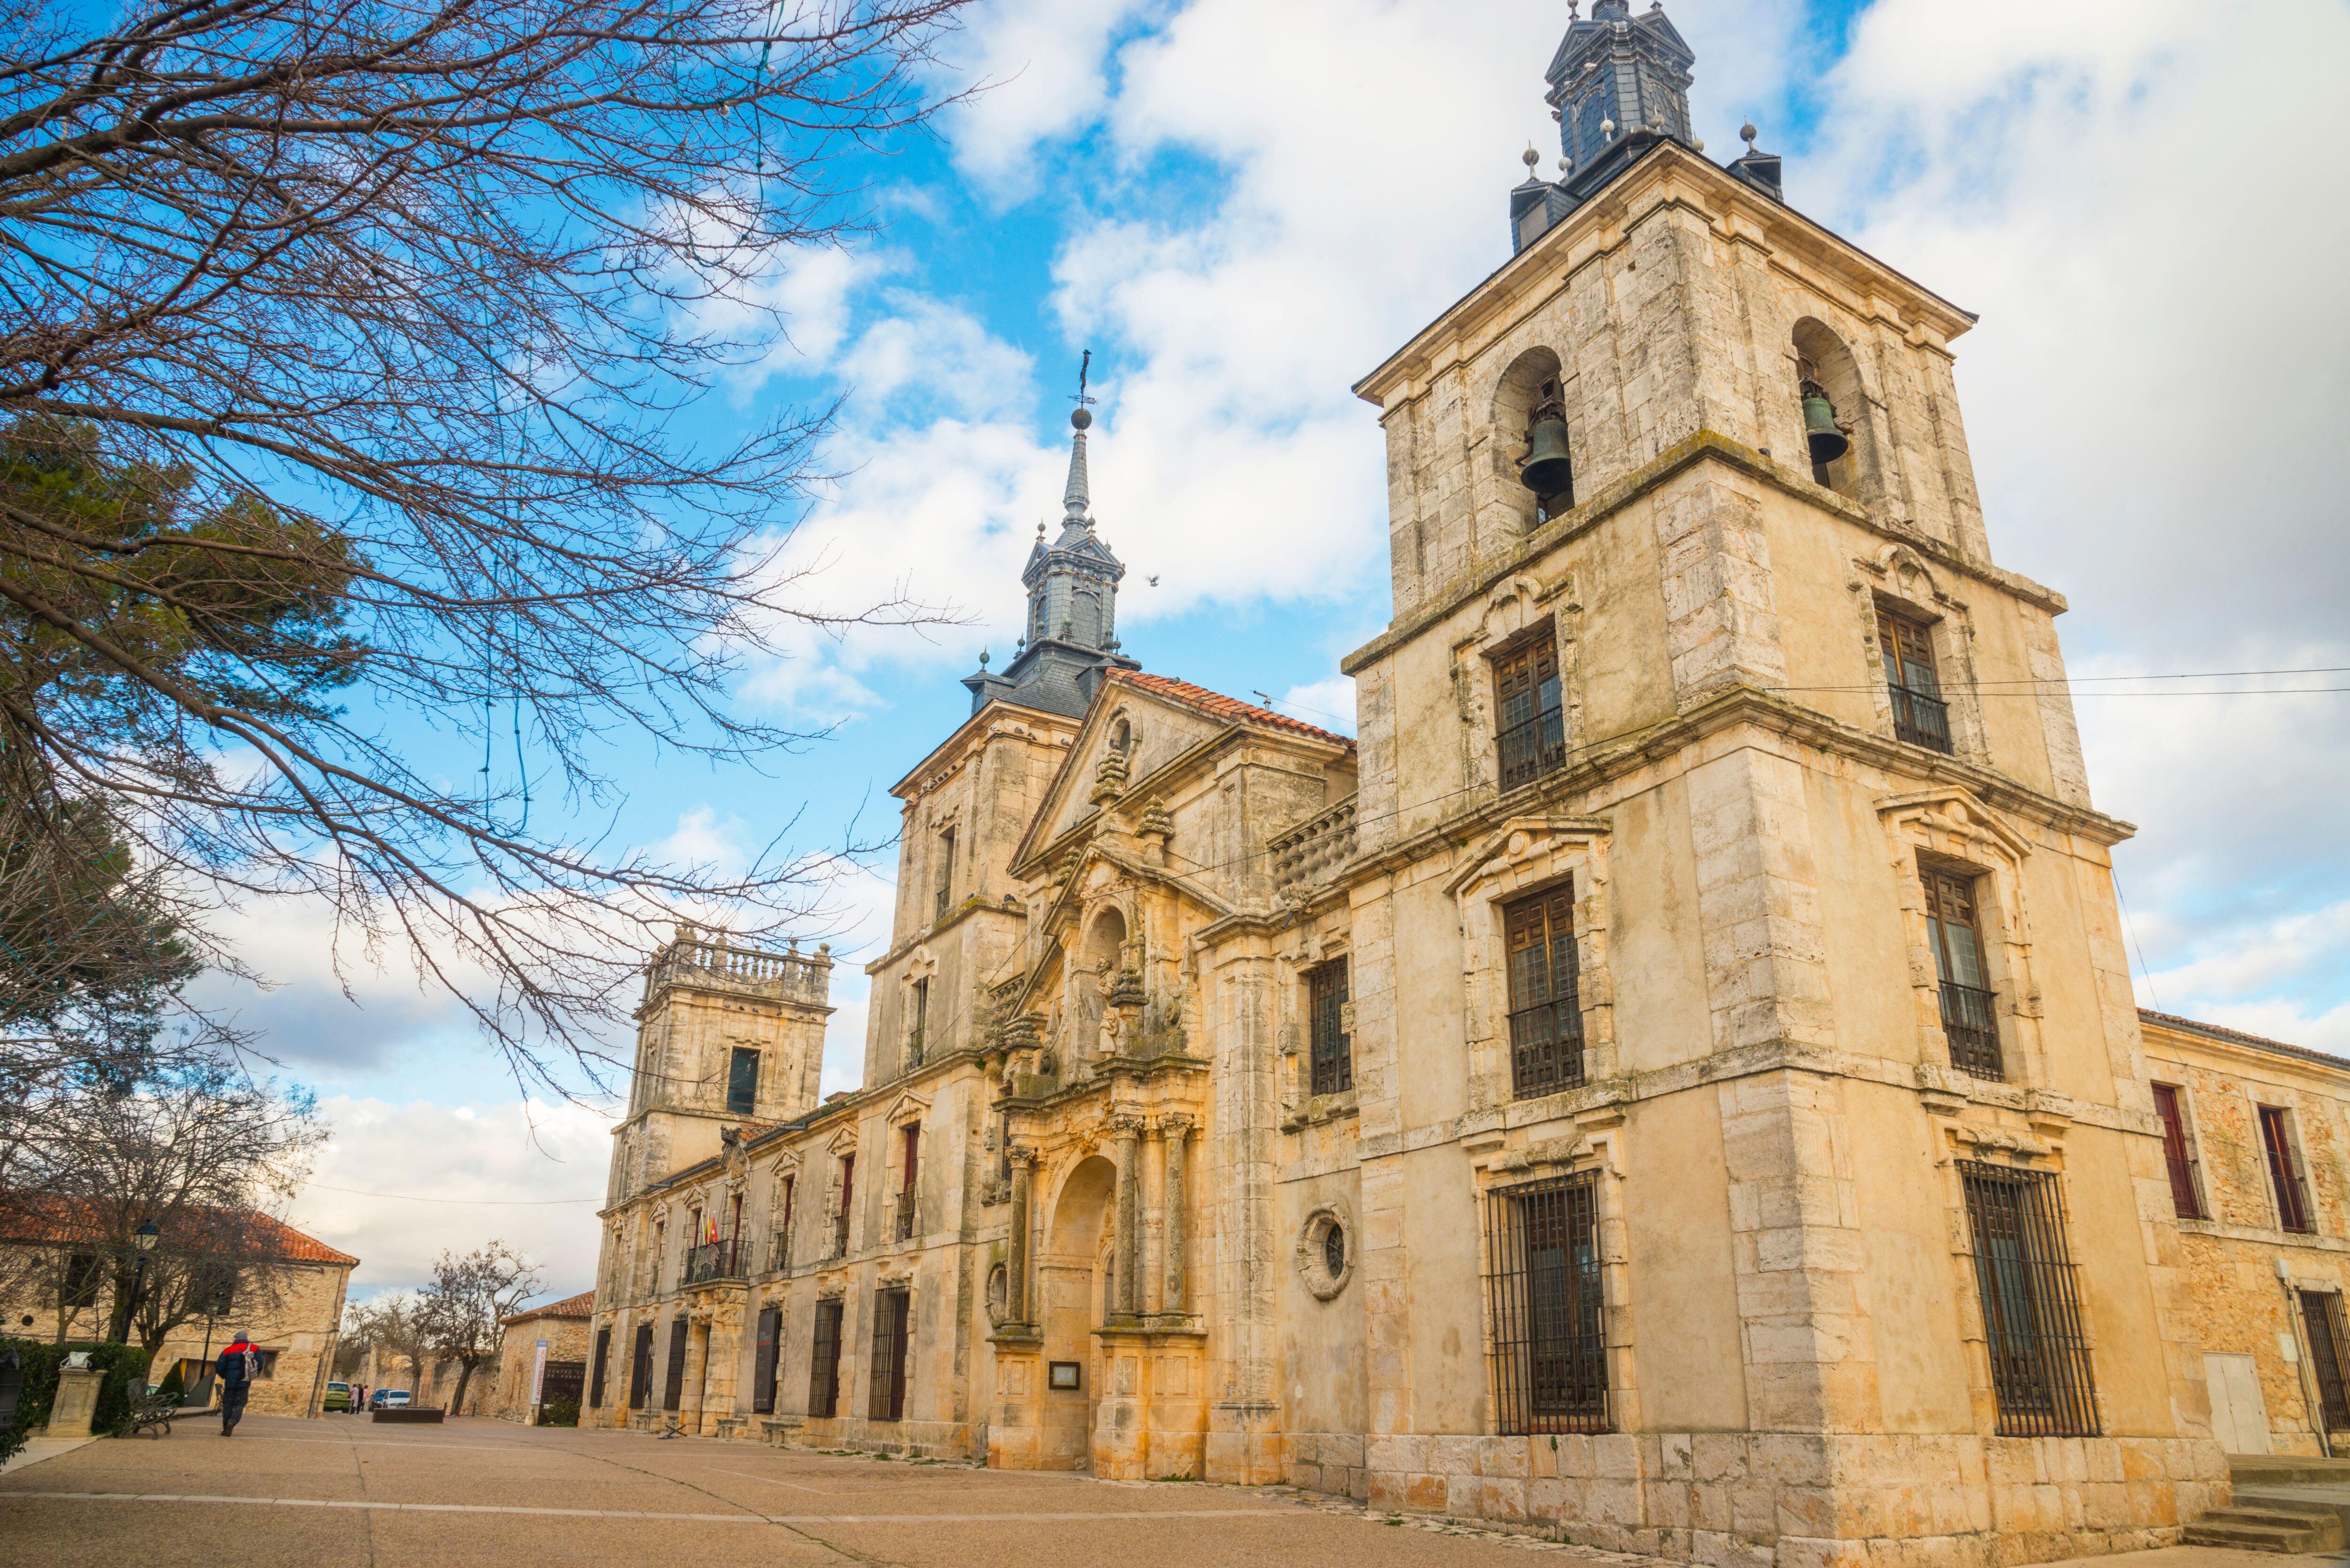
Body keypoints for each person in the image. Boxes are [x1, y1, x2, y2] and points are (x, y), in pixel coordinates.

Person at [215, 1333, 261, 1437]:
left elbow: (219, 1366)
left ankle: (226, 1427)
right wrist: (253, 1375)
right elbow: (260, 1363)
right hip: (245, 1380)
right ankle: (233, 1421)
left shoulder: (228, 1350)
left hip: (230, 1382)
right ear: (246, 1338)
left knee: (228, 1404)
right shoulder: (254, 1349)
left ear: (235, 1339)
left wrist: (226, 1376)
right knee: (240, 1403)